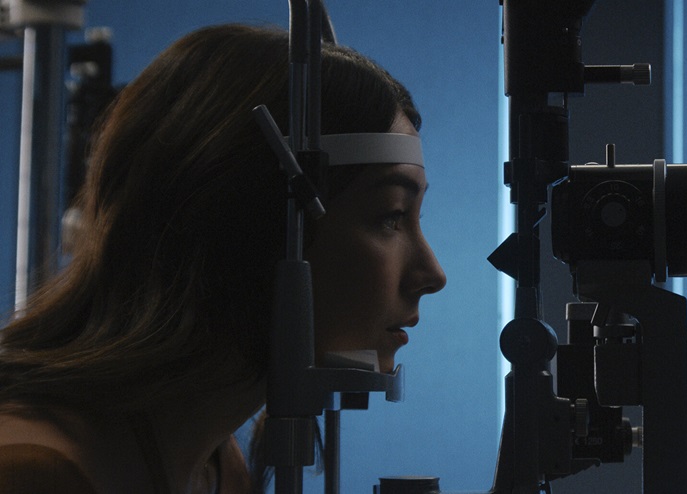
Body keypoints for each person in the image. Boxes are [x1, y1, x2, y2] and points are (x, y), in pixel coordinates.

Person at [0, 24, 446, 493]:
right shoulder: (35, 472)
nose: (431, 274)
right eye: (391, 217)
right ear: (250, 219)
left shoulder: (209, 461)